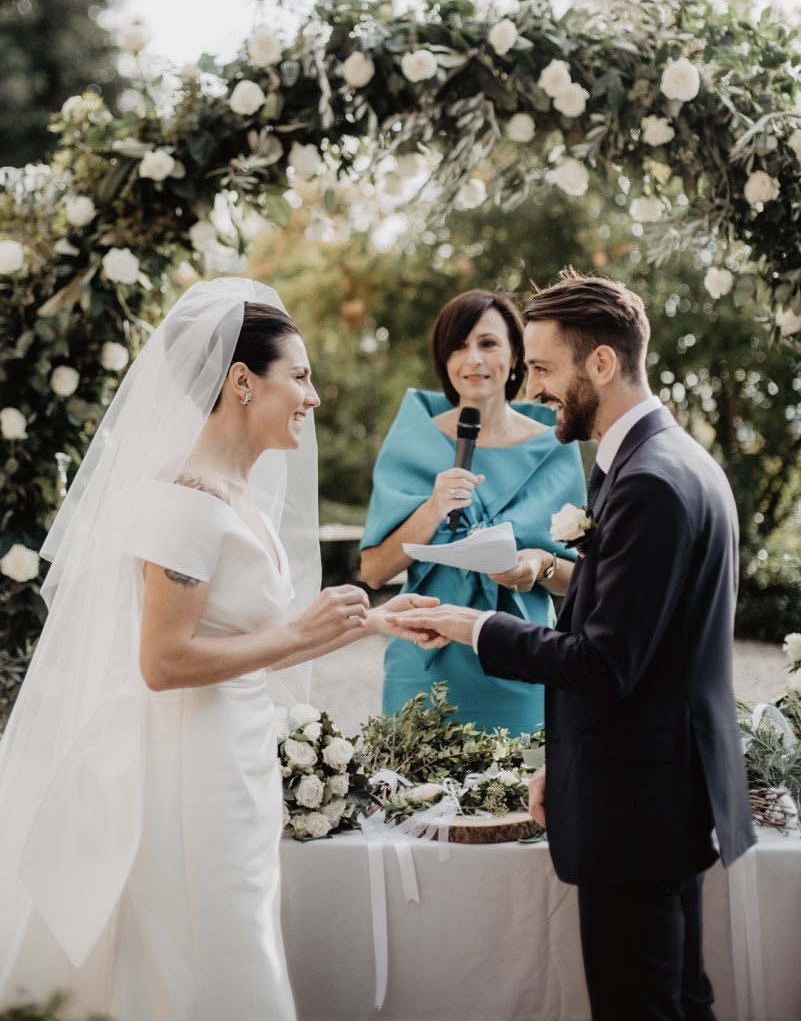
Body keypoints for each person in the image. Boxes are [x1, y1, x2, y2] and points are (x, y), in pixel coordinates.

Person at [0, 278, 437, 1020]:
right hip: (185, 773)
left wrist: (369, 623)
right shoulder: (187, 497)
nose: (314, 397)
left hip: (234, 762)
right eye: (299, 376)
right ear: (241, 380)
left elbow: (246, 642)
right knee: (214, 955)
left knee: (230, 942)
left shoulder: (237, 493)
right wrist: (300, 631)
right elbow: (163, 661)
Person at [399, 271, 755, 1021]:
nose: (532, 388)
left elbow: (604, 662)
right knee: (677, 1003)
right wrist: (565, 763)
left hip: (638, 809)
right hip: (653, 791)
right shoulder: (669, 459)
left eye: (543, 368)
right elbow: (637, 625)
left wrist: (475, 627)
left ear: (600, 364)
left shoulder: (651, 480)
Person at [360, 289, 585, 734]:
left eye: (488, 343)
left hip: (522, 661)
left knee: (520, 801)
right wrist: (432, 508)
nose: (472, 359)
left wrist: (536, 566)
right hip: (424, 660)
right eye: (458, 346)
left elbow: (582, 579)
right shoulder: (412, 439)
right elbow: (372, 571)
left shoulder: (556, 446)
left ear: (516, 355)